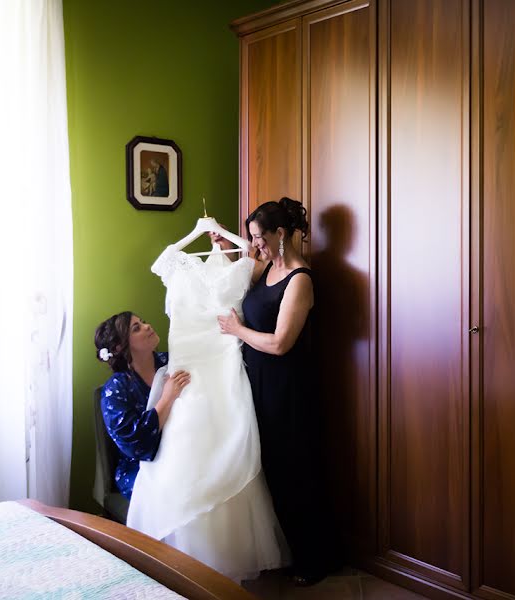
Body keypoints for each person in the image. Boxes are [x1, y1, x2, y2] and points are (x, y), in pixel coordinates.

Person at [125, 228, 289, 583]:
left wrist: (227, 251)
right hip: (188, 375)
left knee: (228, 452)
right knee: (187, 457)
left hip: (225, 372)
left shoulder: (244, 260)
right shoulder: (172, 261)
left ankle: (223, 562)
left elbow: (249, 271)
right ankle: (184, 557)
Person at [217, 197, 340, 586]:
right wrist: (226, 247)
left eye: (260, 238)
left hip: (288, 386)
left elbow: (281, 342)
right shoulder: (270, 267)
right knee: (273, 470)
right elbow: (245, 271)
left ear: (281, 234)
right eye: (253, 239)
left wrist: (238, 331)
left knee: (296, 470)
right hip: (261, 381)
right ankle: (291, 551)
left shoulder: (300, 279)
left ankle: (316, 559)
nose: (256, 245)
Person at [94, 312, 190, 500]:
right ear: (119, 346)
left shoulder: (172, 362)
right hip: (140, 467)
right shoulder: (115, 390)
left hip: (183, 449)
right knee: (180, 490)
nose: (147, 326)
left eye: (143, 321)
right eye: (136, 328)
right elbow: (136, 445)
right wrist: (167, 398)